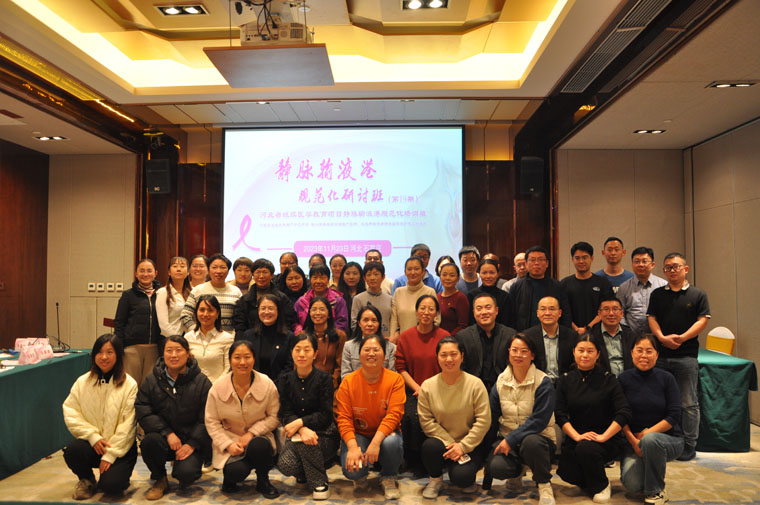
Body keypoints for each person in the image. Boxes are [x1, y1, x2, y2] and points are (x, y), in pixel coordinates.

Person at [646, 252, 710, 462]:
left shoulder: (698, 294)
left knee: (688, 402)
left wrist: (682, 338)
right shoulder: (657, 294)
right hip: (660, 356)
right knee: (659, 400)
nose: (672, 270)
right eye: (667, 268)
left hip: (686, 356)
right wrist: (661, 338)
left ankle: (689, 445)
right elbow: (652, 318)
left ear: (686, 269)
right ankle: (661, 440)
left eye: (676, 266)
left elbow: (702, 321)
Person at [555, 335, 632, 503]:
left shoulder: (609, 379)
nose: (585, 355)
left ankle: (601, 485)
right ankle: (591, 478)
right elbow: (559, 413)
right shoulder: (565, 379)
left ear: (598, 354)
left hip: (606, 438)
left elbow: (624, 412)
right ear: (574, 352)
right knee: (567, 472)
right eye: (581, 350)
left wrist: (604, 436)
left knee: (586, 449)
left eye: (590, 351)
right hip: (577, 437)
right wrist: (576, 436)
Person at [136, 335, 212, 500]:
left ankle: (184, 472)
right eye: (169, 351)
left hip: (190, 441)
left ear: (188, 353)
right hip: (163, 439)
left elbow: (208, 417)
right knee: (148, 442)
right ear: (163, 354)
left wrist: (192, 443)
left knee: (186, 474)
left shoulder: (202, 381)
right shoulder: (152, 379)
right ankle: (160, 479)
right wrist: (167, 433)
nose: (173, 355)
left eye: (178, 350)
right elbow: (142, 408)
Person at [62, 334, 138, 500]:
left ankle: (117, 478)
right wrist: (92, 436)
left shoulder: (129, 384)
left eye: (109, 352)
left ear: (118, 355)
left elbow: (129, 425)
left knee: (111, 486)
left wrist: (111, 454)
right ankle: (87, 480)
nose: (104, 357)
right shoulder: (82, 382)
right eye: (100, 352)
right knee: (73, 450)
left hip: (120, 448)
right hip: (94, 444)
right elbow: (71, 411)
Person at [484, 333, 556, 505]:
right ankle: (517, 472)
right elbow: (492, 417)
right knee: (497, 467)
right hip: (507, 440)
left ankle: (544, 485)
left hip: (540, 440)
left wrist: (511, 439)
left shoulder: (543, 381)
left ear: (532, 355)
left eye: (524, 351)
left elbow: (539, 421)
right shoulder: (501, 381)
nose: (518, 355)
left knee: (531, 443)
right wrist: (487, 463)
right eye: (514, 350)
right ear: (508, 352)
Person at [204, 340, 281, 498]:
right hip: (231, 440)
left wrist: (252, 433)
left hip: (259, 437)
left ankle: (263, 480)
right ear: (230, 360)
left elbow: (275, 416)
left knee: (260, 445)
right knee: (236, 472)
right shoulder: (217, 387)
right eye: (237, 357)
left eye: (247, 357)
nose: (242, 362)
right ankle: (230, 477)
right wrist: (228, 444)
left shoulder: (266, 383)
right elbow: (211, 421)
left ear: (254, 359)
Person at [417, 336, 491, 498]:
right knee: (430, 446)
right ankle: (435, 480)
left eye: (454, 354)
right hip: (442, 444)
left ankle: (463, 474)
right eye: (443, 355)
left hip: (469, 445)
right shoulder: (428, 386)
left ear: (462, 356)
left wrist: (462, 446)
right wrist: (451, 444)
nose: (449, 359)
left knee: (463, 478)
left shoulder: (475, 384)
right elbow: (426, 421)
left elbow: (484, 420)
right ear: (437, 357)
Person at [336, 335, 405, 500]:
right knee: (352, 471)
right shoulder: (348, 382)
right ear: (359, 355)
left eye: (376, 350)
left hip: (386, 434)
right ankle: (361, 477)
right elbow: (344, 418)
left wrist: (375, 443)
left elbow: (394, 415)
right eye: (367, 349)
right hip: (359, 433)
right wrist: (353, 447)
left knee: (392, 442)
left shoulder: (395, 379)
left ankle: (389, 477)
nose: (371, 353)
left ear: (385, 355)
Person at [619, 334, 684, 505]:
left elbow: (674, 415)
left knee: (651, 441)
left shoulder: (667, 378)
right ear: (632, 353)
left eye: (649, 351)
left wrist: (647, 434)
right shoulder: (623, 378)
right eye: (639, 350)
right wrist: (634, 441)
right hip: (634, 442)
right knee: (633, 485)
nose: (644, 355)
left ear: (656, 354)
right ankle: (651, 466)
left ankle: (656, 491)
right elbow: (620, 415)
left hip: (668, 439)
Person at [276, 333, 340, 500]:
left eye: (307, 350)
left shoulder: (325, 379)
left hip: (324, 434)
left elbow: (326, 415)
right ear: (291, 353)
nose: (302, 354)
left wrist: (301, 422)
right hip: (297, 434)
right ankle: (307, 469)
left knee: (307, 442)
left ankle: (319, 483)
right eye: (297, 350)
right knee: (285, 465)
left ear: (315, 354)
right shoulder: (285, 380)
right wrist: (302, 429)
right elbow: (284, 413)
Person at [394, 295, 450, 474]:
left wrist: (429, 389)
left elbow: (449, 366)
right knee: (412, 416)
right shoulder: (406, 337)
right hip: (413, 390)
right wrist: (418, 388)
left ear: (437, 313)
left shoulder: (444, 337)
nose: (426, 312)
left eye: (431, 309)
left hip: (440, 390)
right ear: (416, 312)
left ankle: (437, 457)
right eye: (422, 308)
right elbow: (401, 368)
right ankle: (414, 459)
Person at [114, 258, 161, 386]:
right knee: (129, 385)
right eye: (142, 271)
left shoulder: (162, 294)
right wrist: (120, 347)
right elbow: (119, 322)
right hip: (131, 349)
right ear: (136, 273)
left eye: (149, 271)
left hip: (154, 347)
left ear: (155, 273)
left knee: (149, 386)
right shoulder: (128, 295)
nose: (145, 274)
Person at [456, 292, 515, 392]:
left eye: (488, 307)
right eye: (479, 309)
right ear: (474, 313)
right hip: (472, 389)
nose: (484, 312)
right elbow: (461, 368)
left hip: (504, 388)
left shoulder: (510, 335)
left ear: (496, 310)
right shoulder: (463, 337)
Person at [510, 246, 571, 330]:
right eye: (532, 260)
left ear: (547, 263)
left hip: (552, 333)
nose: (536, 263)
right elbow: (511, 315)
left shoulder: (558, 286)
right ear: (526, 263)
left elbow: (565, 314)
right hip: (524, 334)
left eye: (541, 259)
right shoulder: (516, 287)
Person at [239, 294, 295, 384]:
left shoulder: (289, 337)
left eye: (270, 308)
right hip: (252, 384)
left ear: (278, 311)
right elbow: (245, 362)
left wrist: (273, 385)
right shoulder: (248, 335)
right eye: (263, 308)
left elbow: (289, 366)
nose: (266, 312)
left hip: (280, 386)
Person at [560, 242, 614, 335]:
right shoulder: (564, 284)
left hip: (598, 333)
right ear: (572, 260)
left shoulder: (603, 283)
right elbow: (562, 311)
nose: (581, 261)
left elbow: (606, 309)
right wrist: (576, 329)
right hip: (571, 333)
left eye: (585, 257)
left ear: (592, 258)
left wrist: (588, 327)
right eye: (577, 258)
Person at [232, 258, 296, 335]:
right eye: (258, 272)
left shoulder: (282, 298)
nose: (261, 276)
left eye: (265, 272)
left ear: (272, 275)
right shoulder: (245, 300)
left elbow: (288, 322)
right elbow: (240, 326)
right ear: (253, 275)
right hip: (251, 339)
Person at [181, 253, 242, 333]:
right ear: (208, 270)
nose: (218, 271)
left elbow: (241, 318)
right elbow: (185, 315)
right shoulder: (197, 290)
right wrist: (196, 331)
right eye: (214, 267)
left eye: (223, 267)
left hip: (229, 338)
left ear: (228, 270)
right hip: (202, 338)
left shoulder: (236, 291)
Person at [523, 296, 577, 383]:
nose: (547, 313)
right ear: (537, 313)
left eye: (552, 309)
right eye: (543, 309)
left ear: (560, 313)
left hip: (565, 383)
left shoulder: (572, 336)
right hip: (537, 384)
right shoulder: (528, 336)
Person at [616, 247, 667, 337]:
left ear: (652, 264)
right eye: (637, 261)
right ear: (632, 264)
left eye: (644, 261)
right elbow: (620, 313)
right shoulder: (624, 287)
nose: (640, 265)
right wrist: (627, 332)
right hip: (631, 337)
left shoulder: (663, 285)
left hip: (658, 337)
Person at [184, 294, 235, 383]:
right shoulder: (188, 337)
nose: (205, 314)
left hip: (218, 387)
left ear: (217, 314)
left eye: (210, 310)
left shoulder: (227, 338)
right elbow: (185, 366)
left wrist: (214, 386)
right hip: (193, 386)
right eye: (202, 310)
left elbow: (228, 368)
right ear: (196, 312)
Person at [301, 296, 347, 388]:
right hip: (306, 384)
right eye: (314, 309)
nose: (318, 313)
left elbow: (340, 366)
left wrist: (331, 383)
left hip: (331, 384)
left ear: (329, 314)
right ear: (309, 313)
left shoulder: (339, 336)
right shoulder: (302, 336)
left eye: (322, 309)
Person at [389, 256, 438, 342]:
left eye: (416, 269)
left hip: (425, 340)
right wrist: (393, 339)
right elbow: (394, 320)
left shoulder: (430, 292)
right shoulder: (398, 292)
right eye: (409, 269)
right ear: (405, 272)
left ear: (423, 272)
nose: (413, 272)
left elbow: (436, 319)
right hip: (403, 341)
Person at [342, 305, 397, 377]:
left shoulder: (391, 348)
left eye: (374, 320)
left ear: (379, 323)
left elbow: (392, 375)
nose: (370, 324)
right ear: (359, 323)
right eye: (366, 320)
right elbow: (345, 375)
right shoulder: (349, 346)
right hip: (355, 384)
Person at [294, 264, 349, 334]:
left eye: (322, 278)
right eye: (315, 278)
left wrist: (328, 334)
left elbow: (342, 323)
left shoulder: (337, 300)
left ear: (328, 280)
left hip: (331, 337)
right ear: (310, 280)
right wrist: (300, 332)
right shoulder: (301, 301)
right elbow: (294, 322)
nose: (318, 281)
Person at [590, 297, 637, 376]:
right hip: (602, 380)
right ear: (599, 313)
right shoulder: (592, 335)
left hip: (628, 378)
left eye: (615, 309)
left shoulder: (631, 335)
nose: (611, 313)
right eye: (606, 309)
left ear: (621, 313)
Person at [467, 258, 515, 328]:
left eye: (492, 272)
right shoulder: (471, 295)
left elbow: (507, 322)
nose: (488, 276)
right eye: (484, 273)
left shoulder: (505, 297)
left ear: (497, 274)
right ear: (479, 274)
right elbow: (470, 322)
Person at [350, 261, 392, 337]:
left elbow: (392, 322)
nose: (372, 278)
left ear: (383, 277)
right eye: (369, 275)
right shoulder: (358, 298)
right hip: (364, 340)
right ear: (364, 278)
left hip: (385, 339)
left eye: (376, 274)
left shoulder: (390, 299)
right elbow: (354, 323)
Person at [156, 256, 192, 340]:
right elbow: (163, 325)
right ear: (169, 272)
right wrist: (177, 340)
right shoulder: (163, 292)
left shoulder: (192, 292)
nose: (178, 269)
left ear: (188, 272)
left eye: (182, 266)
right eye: (175, 266)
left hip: (190, 339)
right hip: (170, 339)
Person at [437, 262, 470, 335]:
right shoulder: (437, 297)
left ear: (458, 278)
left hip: (453, 339)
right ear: (440, 277)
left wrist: (448, 337)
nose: (447, 278)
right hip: (437, 338)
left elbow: (463, 325)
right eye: (444, 275)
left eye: (452, 275)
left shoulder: (461, 298)